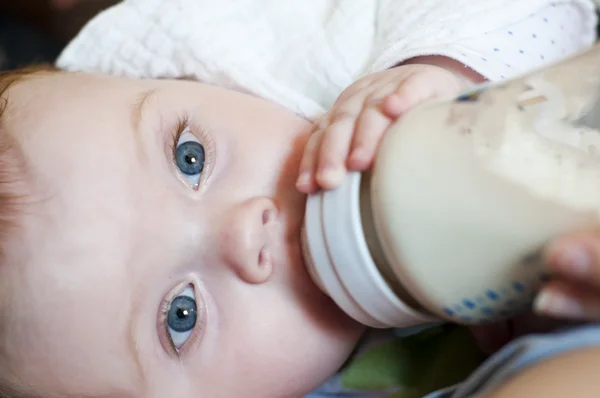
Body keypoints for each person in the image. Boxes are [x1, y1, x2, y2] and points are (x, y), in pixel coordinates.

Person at [0, 1, 598, 397]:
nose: (245, 230)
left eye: (191, 158)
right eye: (180, 317)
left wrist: (449, 74)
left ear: (195, 81)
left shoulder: (338, 74)